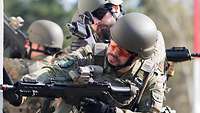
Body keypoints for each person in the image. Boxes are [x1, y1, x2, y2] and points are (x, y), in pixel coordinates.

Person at [22, 12, 166, 113]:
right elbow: (55, 71)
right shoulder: (93, 53)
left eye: (122, 52)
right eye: (113, 45)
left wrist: (110, 111)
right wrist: (25, 85)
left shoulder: (149, 77)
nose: (114, 53)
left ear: (137, 57)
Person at [3, 19, 64, 113]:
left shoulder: (28, 66)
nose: (26, 45)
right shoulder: (59, 69)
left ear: (40, 46)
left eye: (30, 41)